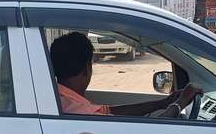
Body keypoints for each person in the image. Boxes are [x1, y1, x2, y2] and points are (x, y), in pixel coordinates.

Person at [49, 32, 201, 117]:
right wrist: (180, 103)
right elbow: (152, 133)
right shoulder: (78, 111)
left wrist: (162, 103)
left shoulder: (59, 98)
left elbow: (107, 111)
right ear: (87, 68)